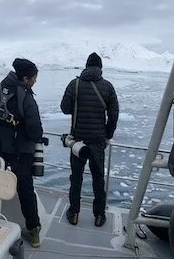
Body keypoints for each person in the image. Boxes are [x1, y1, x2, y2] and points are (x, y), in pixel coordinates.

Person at [0, 58, 44, 248]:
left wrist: (0, 123)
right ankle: (33, 231)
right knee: (25, 190)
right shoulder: (27, 98)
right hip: (20, 152)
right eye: (34, 78)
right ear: (25, 79)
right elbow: (35, 131)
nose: (35, 81)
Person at [60, 52, 119, 228]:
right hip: (97, 141)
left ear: (86, 66)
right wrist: (107, 135)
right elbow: (114, 115)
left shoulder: (74, 84)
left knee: (76, 177)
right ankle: (99, 215)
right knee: (98, 178)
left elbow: (64, 108)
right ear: (100, 68)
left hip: (78, 142)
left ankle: (74, 213)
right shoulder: (107, 87)